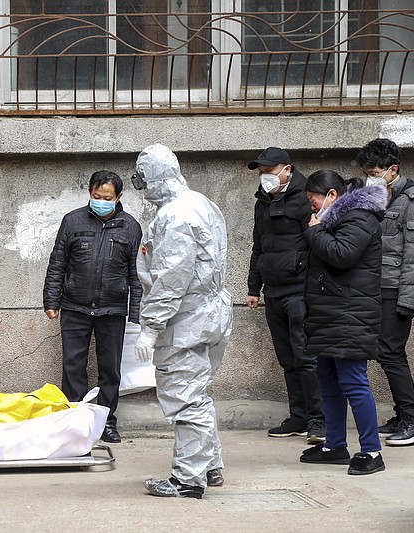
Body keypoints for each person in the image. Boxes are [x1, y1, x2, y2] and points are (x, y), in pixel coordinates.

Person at [133, 144, 233, 498]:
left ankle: (188, 479)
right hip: (209, 315)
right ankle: (210, 466)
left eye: (141, 180)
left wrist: (150, 328)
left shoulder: (175, 216)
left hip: (186, 319)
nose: (141, 189)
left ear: (153, 178)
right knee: (198, 395)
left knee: (185, 397)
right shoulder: (201, 202)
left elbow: (170, 278)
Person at [43, 170, 142, 444]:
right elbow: (58, 263)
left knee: (110, 369)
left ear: (118, 197)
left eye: (106, 197)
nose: (101, 201)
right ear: (90, 194)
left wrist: (134, 312)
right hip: (75, 306)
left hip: (112, 309)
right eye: (96, 196)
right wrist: (51, 300)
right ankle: (75, 420)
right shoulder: (72, 221)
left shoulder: (131, 227)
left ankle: (107, 422)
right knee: (73, 366)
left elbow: (137, 272)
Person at [300, 170, 387, 475]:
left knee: (353, 382)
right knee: (328, 380)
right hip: (331, 313)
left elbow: (342, 255)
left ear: (332, 196)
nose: (312, 208)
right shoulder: (336, 220)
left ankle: (372, 451)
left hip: (351, 314)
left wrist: (314, 231)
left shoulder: (360, 217)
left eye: (314, 201)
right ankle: (335, 445)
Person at [357, 138, 414, 446]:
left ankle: (412, 420)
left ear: (393, 169)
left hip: (397, 291)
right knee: (384, 352)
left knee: (391, 353)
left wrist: (407, 301)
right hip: (377, 287)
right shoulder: (378, 196)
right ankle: (402, 415)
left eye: (374, 171)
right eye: (367, 171)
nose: (370, 176)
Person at [246, 147, 325, 444]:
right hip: (273, 291)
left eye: (270, 169)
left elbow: (317, 241)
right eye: (261, 171)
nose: (264, 175)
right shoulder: (262, 202)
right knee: (287, 359)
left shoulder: (306, 198)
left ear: (288, 169)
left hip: (300, 291)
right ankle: (299, 416)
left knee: (306, 357)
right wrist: (254, 288)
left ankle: (320, 420)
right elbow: (259, 246)